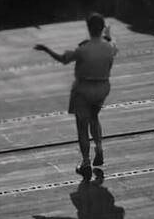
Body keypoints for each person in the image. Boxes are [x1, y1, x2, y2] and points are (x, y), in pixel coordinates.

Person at [35, 14, 118, 179]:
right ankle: (99, 148)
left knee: (82, 126)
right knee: (94, 117)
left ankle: (86, 162)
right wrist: (107, 35)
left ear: (88, 28)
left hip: (84, 89)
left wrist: (46, 49)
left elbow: (62, 59)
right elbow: (110, 44)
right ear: (101, 29)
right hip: (102, 88)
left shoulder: (83, 49)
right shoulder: (110, 47)